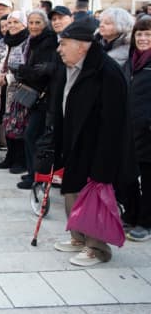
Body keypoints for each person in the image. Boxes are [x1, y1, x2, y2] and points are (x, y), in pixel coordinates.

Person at [52, 17, 130, 266]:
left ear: (82, 45)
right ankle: (78, 237)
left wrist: (104, 160)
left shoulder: (106, 72)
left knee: (94, 195)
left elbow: (114, 122)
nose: (59, 49)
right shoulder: (70, 66)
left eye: (64, 44)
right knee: (72, 189)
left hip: (97, 145)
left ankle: (97, 248)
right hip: (73, 140)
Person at [14, 10, 58, 187]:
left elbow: (41, 72)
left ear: (45, 24)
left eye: (37, 22)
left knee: (33, 136)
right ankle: (33, 172)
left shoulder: (48, 42)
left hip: (45, 97)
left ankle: (38, 176)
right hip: (35, 96)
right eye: (31, 22)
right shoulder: (33, 41)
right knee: (31, 135)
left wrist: (22, 70)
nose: (33, 26)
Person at [0, 12, 30, 169]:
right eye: (9, 22)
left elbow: (25, 65)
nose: (11, 25)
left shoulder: (27, 41)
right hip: (1, 88)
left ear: (24, 24)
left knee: (18, 124)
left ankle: (20, 159)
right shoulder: (2, 42)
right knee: (6, 122)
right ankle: (10, 156)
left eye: (15, 22)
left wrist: (8, 78)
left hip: (18, 89)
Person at [124, 16, 151, 241]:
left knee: (149, 179)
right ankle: (132, 214)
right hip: (131, 129)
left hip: (148, 131)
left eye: (148, 34)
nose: (142, 38)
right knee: (129, 176)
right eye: (139, 34)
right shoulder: (132, 61)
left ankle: (146, 222)